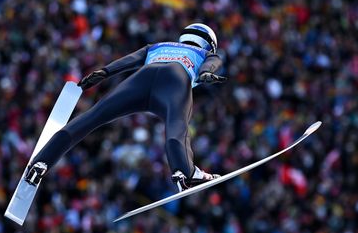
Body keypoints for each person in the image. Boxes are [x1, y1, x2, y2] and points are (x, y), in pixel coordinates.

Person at [25, 23, 227, 192]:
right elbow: (212, 63)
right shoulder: (204, 52)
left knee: (93, 117)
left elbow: (128, 61)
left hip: (141, 79)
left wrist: (103, 72)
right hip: (174, 80)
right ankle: (186, 173)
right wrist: (205, 74)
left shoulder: (157, 45)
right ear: (209, 44)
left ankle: (41, 161)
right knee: (177, 127)